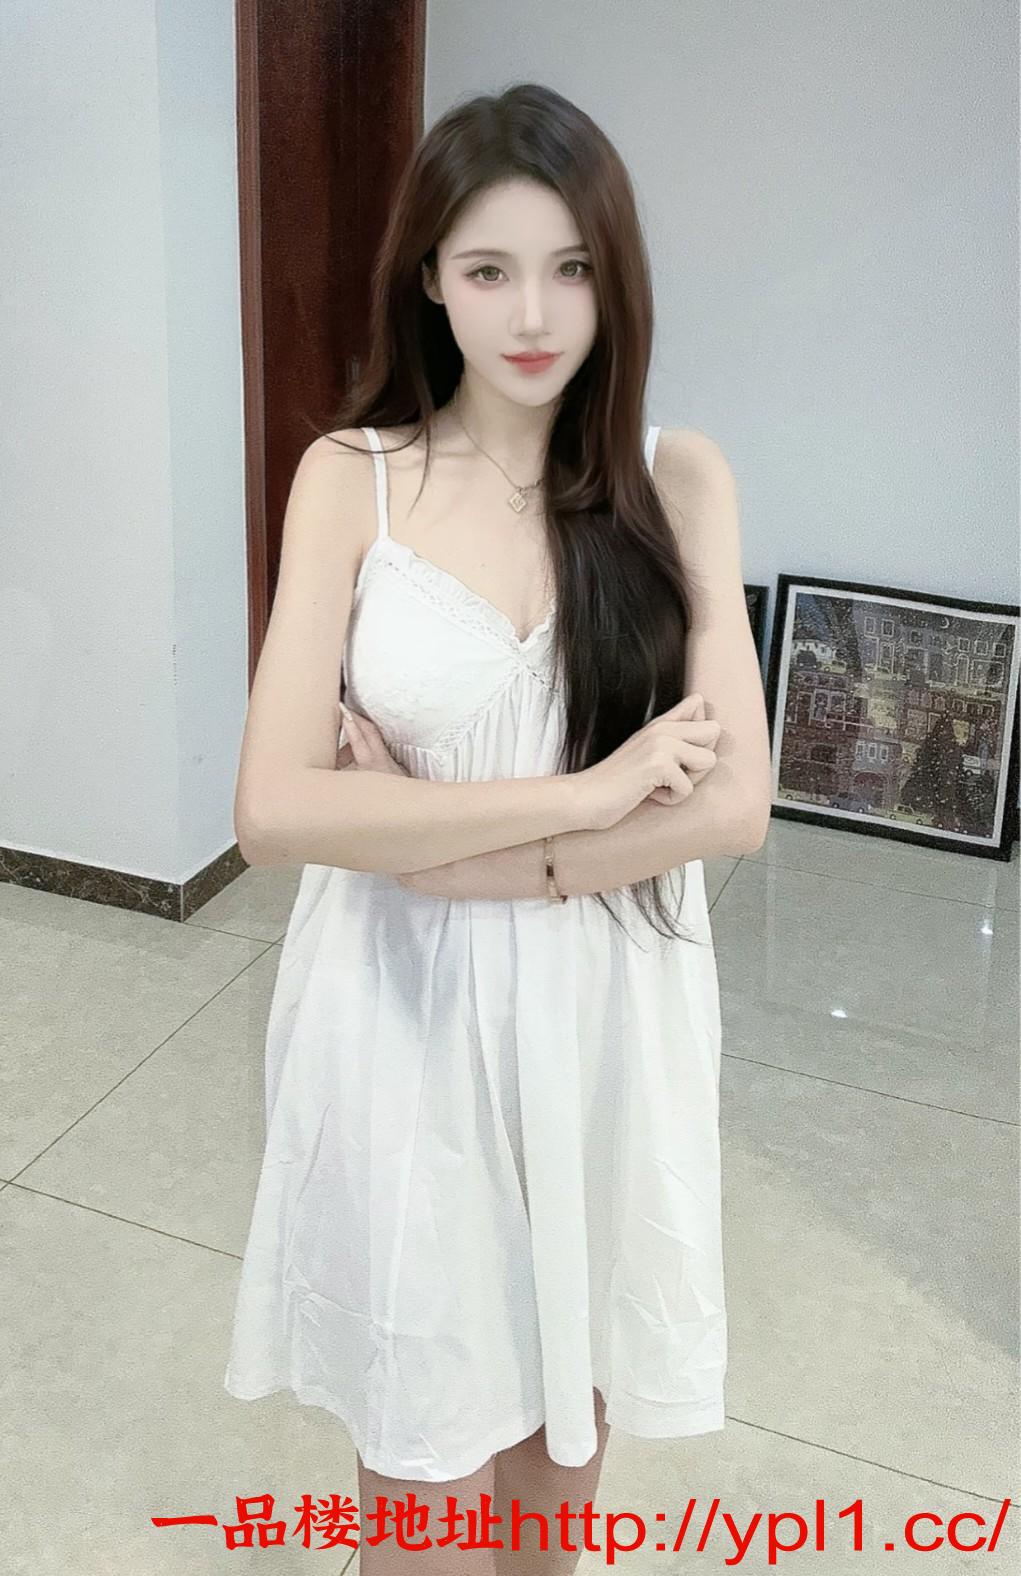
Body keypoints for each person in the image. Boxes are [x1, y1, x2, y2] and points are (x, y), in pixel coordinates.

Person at [223, 82, 771, 1575]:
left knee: (557, 1455)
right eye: (487, 268)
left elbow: (734, 803)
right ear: (429, 279)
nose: (533, 314)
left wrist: (447, 849)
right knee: (417, 1462)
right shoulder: (353, 479)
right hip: (400, 1011)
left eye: (571, 267)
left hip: (607, 1009)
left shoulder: (675, 480)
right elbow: (274, 808)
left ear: (615, 275)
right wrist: (590, 798)